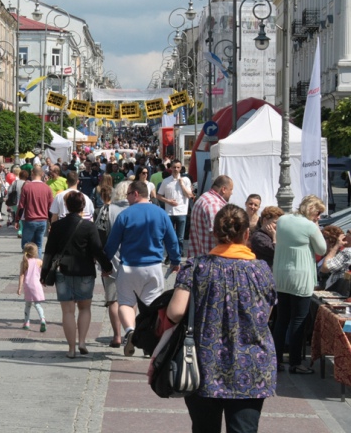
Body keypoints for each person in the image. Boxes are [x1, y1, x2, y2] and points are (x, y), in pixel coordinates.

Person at [166, 204, 277, 433]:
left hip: (205, 363)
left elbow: (175, 312)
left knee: (204, 428)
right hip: (251, 365)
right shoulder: (262, 270)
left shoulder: (195, 267)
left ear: (214, 233)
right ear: (247, 234)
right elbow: (265, 316)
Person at [104, 180, 180, 357]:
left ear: (136, 194)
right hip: (153, 266)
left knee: (125, 303)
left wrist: (106, 264)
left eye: (128, 194)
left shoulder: (125, 215)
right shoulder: (161, 214)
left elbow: (112, 243)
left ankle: (130, 331)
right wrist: (176, 260)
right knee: (151, 307)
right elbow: (172, 240)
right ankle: (149, 345)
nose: (127, 198)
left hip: (129, 266)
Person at [42, 191, 113, 358]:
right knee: (85, 308)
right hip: (85, 271)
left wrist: (44, 273)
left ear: (66, 206)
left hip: (63, 271)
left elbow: (49, 251)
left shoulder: (58, 226)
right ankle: (82, 341)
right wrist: (107, 266)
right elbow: (97, 249)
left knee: (67, 311)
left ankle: (71, 349)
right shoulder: (89, 226)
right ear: (83, 206)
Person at [273, 195, 326, 374]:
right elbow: (322, 249)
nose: (318, 217)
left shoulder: (282, 220)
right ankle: (296, 362)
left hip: (281, 275)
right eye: (318, 213)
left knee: (282, 319)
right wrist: (316, 226)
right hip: (301, 276)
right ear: (312, 210)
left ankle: (276, 359)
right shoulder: (310, 225)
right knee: (299, 319)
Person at [102, 180, 132, 348]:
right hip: (133, 261)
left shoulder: (107, 210)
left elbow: (99, 234)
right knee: (130, 300)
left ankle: (117, 336)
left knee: (113, 299)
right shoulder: (136, 210)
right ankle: (130, 331)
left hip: (111, 260)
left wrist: (101, 260)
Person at [156, 159, 194, 259]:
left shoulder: (185, 180)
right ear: (171, 168)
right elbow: (158, 195)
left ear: (180, 168)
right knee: (170, 236)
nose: (176, 169)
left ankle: (178, 254)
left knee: (180, 237)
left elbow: (189, 195)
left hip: (181, 211)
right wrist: (168, 201)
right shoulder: (166, 181)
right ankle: (170, 255)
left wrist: (181, 185)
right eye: (174, 167)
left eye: (178, 167)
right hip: (169, 212)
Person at [189, 175, 233, 258]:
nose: (232, 193)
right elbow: (218, 235)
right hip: (212, 259)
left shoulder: (204, 197)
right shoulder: (214, 204)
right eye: (231, 189)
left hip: (202, 257)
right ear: (223, 189)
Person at [15, 166, 53, 255]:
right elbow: (50, 207)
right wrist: (50, 223)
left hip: (30, 219)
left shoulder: (27, 187)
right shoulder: (47, 188)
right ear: (42, 174)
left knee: (26, 245)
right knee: (39, 245)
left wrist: (17, 220)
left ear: (32, 173)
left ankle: (28, 265)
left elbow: (21, 206)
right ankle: (38, 266)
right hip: (43, 220)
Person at [17, 242, 47, 332]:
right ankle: (42, 319)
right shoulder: (39, 261)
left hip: (27, 285)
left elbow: (21, 275)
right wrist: (44, 281)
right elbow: (44, 272)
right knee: (37, 304)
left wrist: (19, 287)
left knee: (28, 304)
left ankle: (26, 322)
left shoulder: (24, 262)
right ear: (35, 252)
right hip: (37, 285)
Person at [8, 169, 29, 238]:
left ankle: (20, 231)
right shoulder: (28, 183)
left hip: (15, 202)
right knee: (23, 217)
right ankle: (21, 230)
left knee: (19, 217)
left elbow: (9, 191)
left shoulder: (15, 182)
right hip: (25, 203)